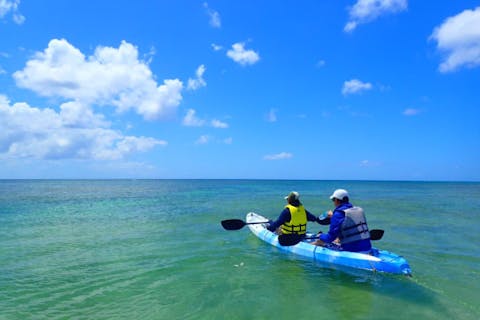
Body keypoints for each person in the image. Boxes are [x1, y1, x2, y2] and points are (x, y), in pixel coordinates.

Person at [313, 189, 372, 253]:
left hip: (353, 250)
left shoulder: (338, 214)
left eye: (333, 200)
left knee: (320, 242)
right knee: (337, 239)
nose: (333, 202)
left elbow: (329, 238)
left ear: (336, 200)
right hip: (368, 247)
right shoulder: (358, 210)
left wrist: (320, 235)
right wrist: (333, 217)